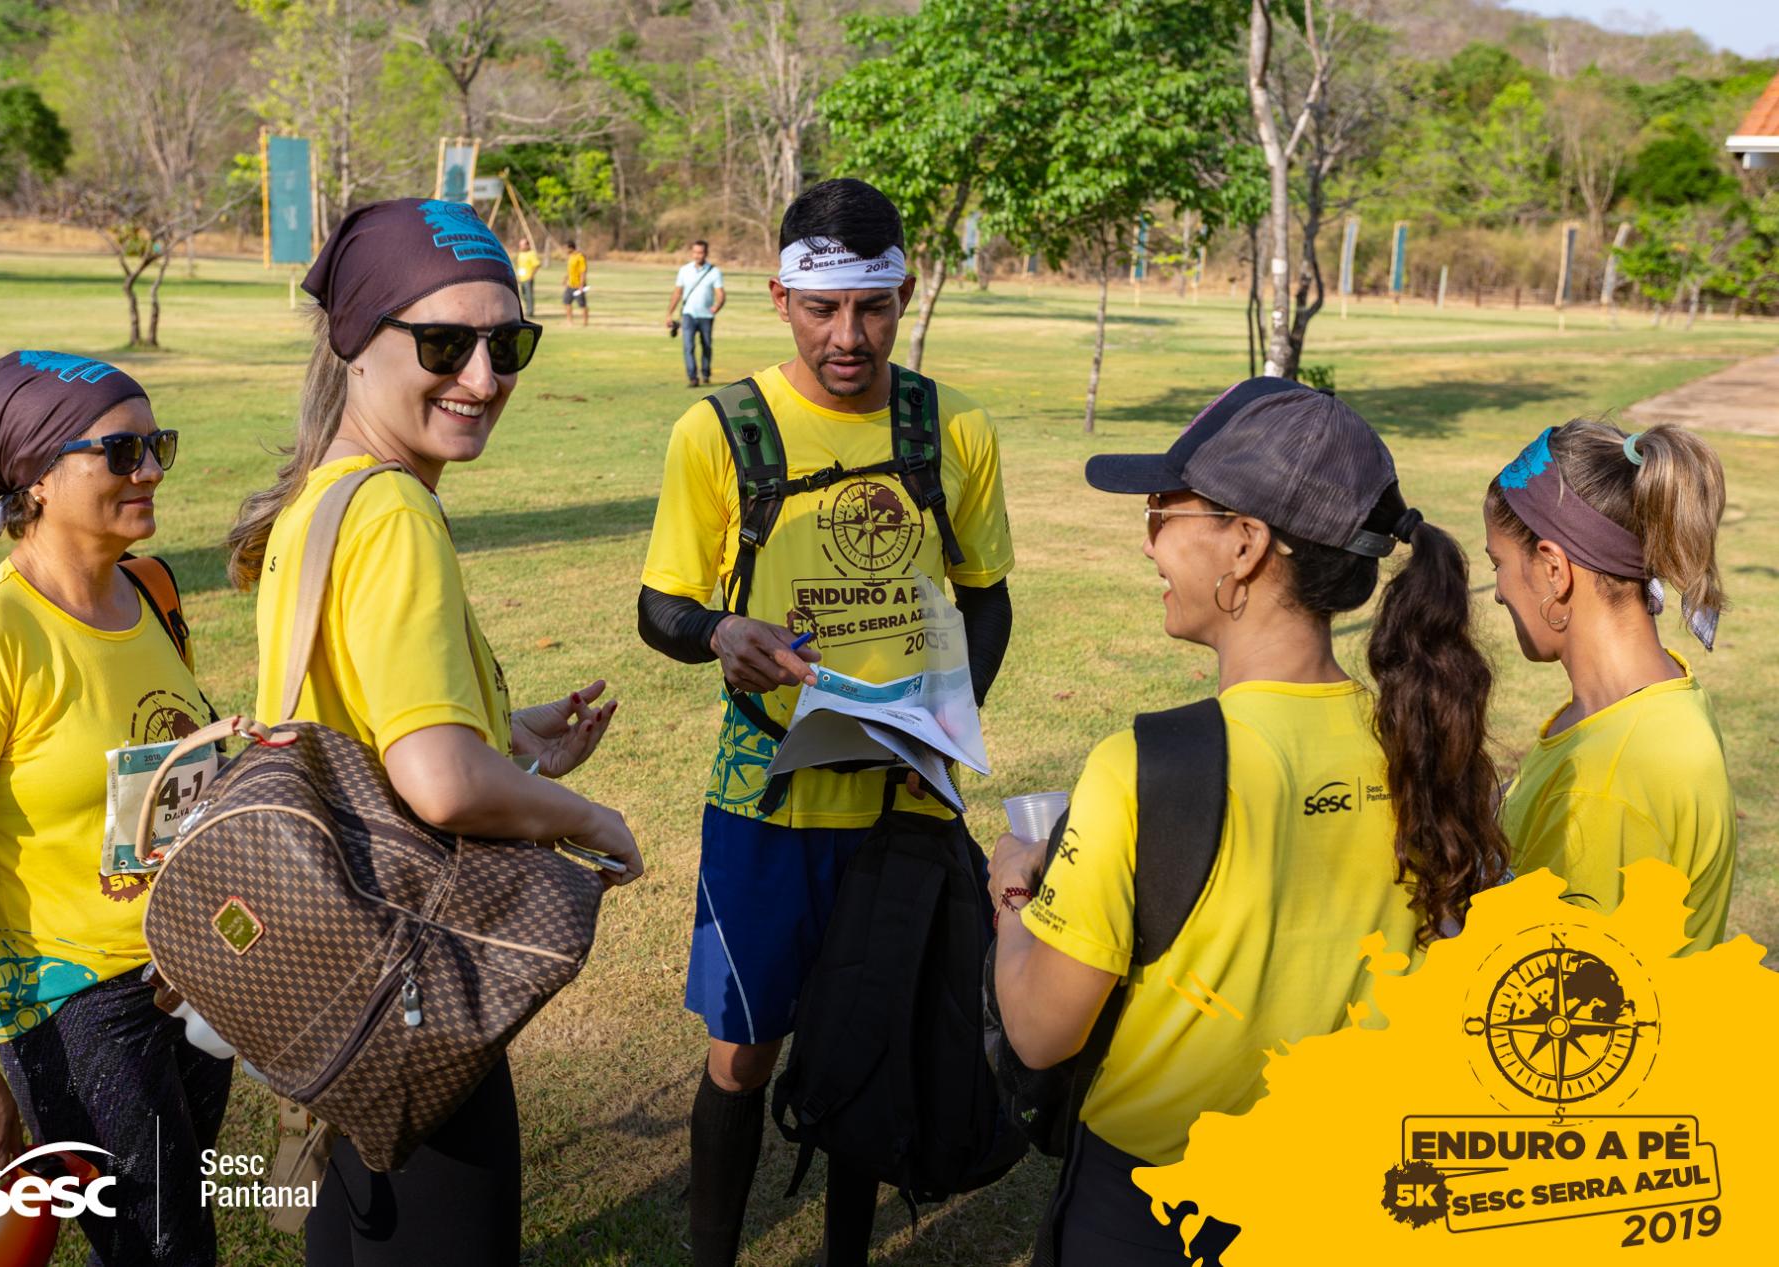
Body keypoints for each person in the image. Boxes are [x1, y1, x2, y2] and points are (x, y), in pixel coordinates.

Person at [989, 379, 1509, 1264]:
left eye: (1163, 509)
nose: (1147, 537)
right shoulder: (1433, 750)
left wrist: (1012, 894)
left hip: (1154, 1213)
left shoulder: (1142, 769)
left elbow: (1040, 1032)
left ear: (1245, 542)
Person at [224, 197, 644, 1264]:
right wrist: (588, 817)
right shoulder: (398, 512)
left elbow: (361, 730)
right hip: (410, 990)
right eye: (446, 344)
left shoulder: (321, 499)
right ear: (355, 341)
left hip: (331, 985)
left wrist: (510, 738)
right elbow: (439, 782)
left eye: (509, 345)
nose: (484, 377)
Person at [638, 178, 1015, 1266]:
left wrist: (948, 717)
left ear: (904, 295)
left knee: (870, 1039)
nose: (847, 337)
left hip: (905, 800)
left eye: (873, 308)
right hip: (768, 800)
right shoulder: (720, 430)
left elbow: (985, 596)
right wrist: (718, 631)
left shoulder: (952, 427)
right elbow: (659, 606)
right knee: (741, 1054)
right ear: (779, 298)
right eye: (821, 308)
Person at [0, 351, 232, 1266]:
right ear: (36, 477)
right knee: (160, 1249)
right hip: (78, 1008)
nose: (150, 469)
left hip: (192, 972)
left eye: (158, 445)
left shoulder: (151, 590)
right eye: (121, 451)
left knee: (183, 1226)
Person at [1484, 419, 1734, 948]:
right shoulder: (1660, 697)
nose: (1499, 592)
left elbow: (1552, 985)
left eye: (1498, 564)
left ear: (1553, 569)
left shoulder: (1606, 785)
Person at [667, 238, 725, 387]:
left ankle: (705, 373)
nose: (697, 255)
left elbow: (720, 294)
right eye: (695, 252)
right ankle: (693, 377)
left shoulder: (714, 272)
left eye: (700, 252)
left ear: (706, 253)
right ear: (692, 253)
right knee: (688, 346)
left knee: (706, 346)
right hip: (688, 314)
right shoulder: (684, 270)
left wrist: (717, 306)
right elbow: (677, 293)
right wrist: (669, 314)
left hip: (706, 315)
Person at [562, 239, 589, 326]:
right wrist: (565, 279)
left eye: (566, 248)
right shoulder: (571, 257)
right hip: (570, 285)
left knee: (582, 304)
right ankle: (569, 321)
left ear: (571, 248)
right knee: (567, 302)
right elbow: (570, 270)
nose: (565, 250)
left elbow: (583, 272)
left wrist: (581, 285)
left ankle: (585, 322)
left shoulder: (580, 257)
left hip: (578, 285)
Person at [514, 235, 541, 317]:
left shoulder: (531, 254)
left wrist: (531, 275)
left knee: (529, 295)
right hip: (521, 278)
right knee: (523, 295)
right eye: (520, 245)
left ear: (527, 245)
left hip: (528, 278)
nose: (520, 247)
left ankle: (530, 312)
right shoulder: (520, 254)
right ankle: (526, 309)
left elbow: (537, 265)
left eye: (522, 245)